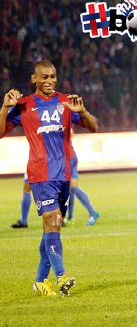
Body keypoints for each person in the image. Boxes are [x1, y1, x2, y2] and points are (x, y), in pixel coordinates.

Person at [0, 60, 98, 296]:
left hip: (63, 175)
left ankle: (40, 281)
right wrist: (4, 108)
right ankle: (61, 275)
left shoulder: (67, 102)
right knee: (53, 221)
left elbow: (94, 127)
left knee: (51, 229)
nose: (49, 81)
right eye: (44, 77)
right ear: (34, 79)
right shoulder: (23, 105)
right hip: (40, 174)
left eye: (53, 76)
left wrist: (82, 111)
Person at [63, 148, 101, 226]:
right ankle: (70, 217)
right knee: (70, 189)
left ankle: (92, 212)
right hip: (65, 156)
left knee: (73, 187)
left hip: (66, 157)